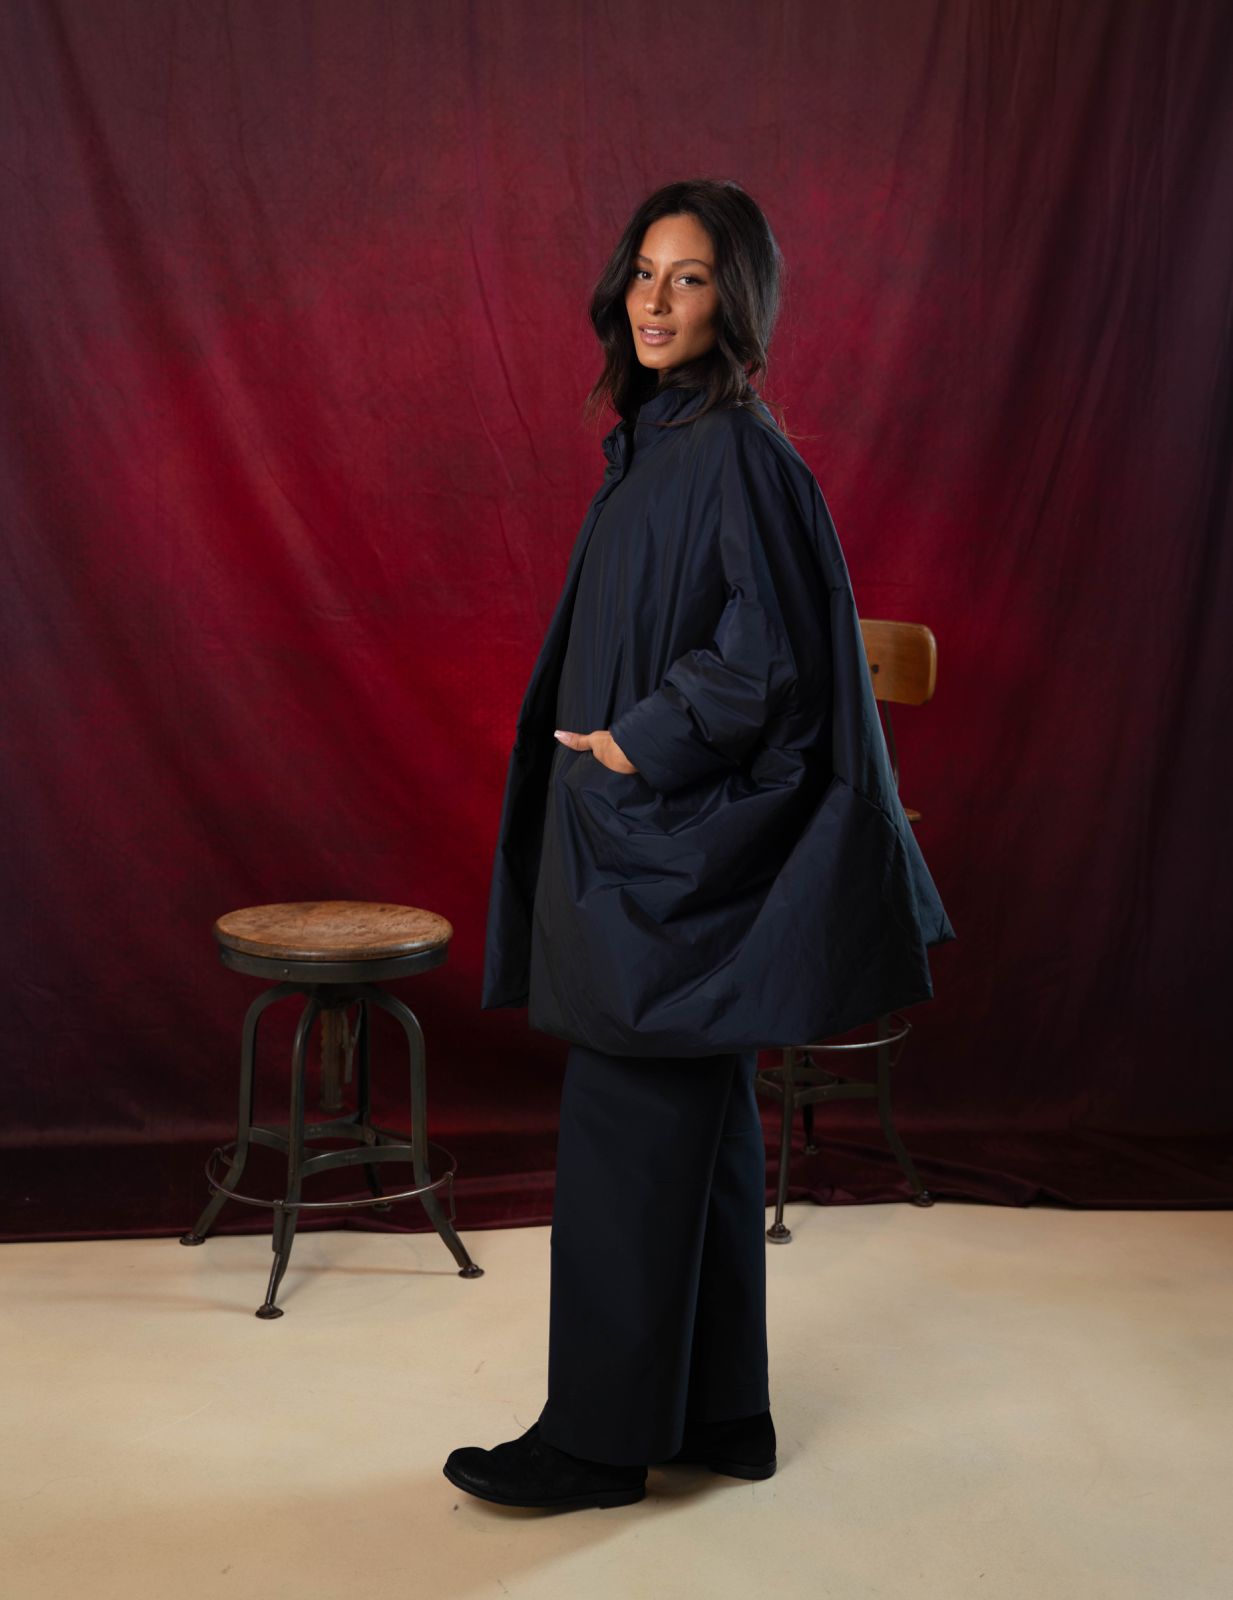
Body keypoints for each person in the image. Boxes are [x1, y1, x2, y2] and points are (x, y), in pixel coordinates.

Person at [444, 180, 955, 1511]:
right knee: (703, 1117)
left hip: (675, 844)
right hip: (653, 836)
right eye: (645, 272)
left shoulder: (730, 448)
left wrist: (638, 744)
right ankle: (723, 1413)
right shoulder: (661, 440)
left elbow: (769, 656)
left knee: (627, 1124)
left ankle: (595, 1441)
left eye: (692, 278)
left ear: (738, 302)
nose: (658, 300)